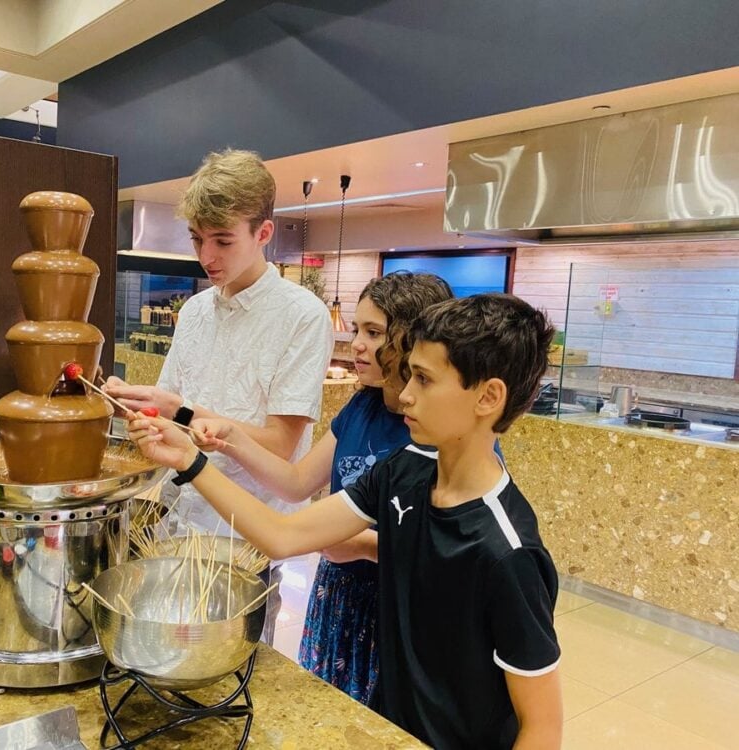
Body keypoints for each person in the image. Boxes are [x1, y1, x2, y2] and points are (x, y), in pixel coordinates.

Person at [129, 293, 563, 750]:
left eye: (425, 379)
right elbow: (284, 534)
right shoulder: (404, 470)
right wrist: (190, 460)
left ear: (488, 396)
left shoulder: (509, 553)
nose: (407, 392)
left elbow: (542, 726)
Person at [188, 272, 453, 705]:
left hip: (397, 604)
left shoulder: (437, 429)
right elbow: (296, 483)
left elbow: (447, 549)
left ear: (414, 340)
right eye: (356, 329)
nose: (357, 345)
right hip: (339, 591)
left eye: (374, 332)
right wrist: (230, 440)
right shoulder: (361, 405)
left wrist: (365, 545)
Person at [104, 148, 333, 644]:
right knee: (162, 656)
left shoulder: (302, 316)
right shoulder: (195, 311)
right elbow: (171, 412)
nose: (206, 256)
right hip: (175, 519)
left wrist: (178, 411)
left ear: (263, 234)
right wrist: (129, 405)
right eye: (197, 239)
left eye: (223, 241)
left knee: (234, 671)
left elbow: (279, 446)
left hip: (243, 537)